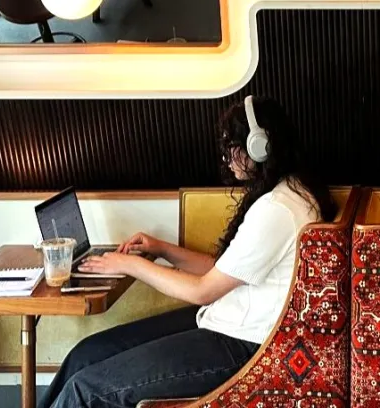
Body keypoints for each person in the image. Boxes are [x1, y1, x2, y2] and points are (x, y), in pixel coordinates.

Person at [39, 96, 339, 408]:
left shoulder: (277, 209)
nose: (227, 159)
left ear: (258, 148)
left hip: (245, 347)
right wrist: (162, 249)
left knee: (86, 390)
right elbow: (222, 269)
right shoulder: (291, 191)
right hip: (226, 323)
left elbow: (202, 291)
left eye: (231, 148)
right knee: (85, 355)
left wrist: (129, 265)